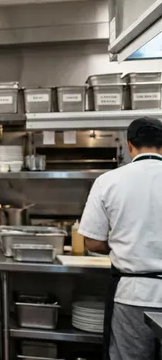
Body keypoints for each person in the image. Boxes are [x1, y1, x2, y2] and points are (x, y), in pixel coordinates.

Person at [78, 116, 162, 360]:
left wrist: (122, 245)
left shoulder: (108, 181)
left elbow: (91, 242)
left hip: (132, 296)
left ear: (129, 145)